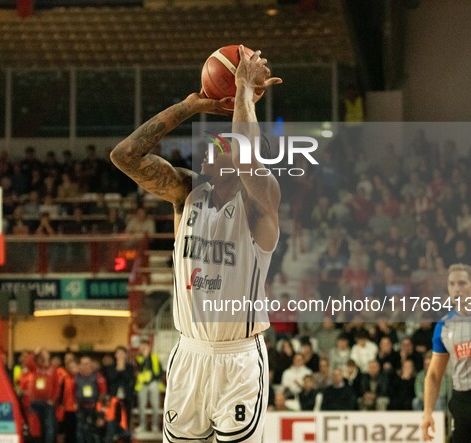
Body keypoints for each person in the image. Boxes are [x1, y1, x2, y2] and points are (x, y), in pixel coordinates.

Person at [110, 45, 281, 442]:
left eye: (220, 148)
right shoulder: (185, 192)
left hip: (238, 358)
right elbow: (125, 155)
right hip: (188, 353)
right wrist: (190, 105)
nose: (209, 150)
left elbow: (246, 157)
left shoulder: (261, 203)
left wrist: (241, 92)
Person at [422, 263, 471, 442]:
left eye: (462, 283)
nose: (456, 289)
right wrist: (427, 413)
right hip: (462, 404)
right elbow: (434, 375)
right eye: (451, 284)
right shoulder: (443, 326)